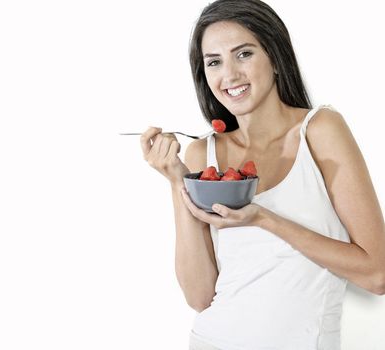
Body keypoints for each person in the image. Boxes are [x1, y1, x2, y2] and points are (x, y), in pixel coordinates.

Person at [139, 0, 385, 349]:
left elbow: (377, 274)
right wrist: (178, 181)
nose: (230, 75)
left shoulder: (319, 130)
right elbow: (199, 295)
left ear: (274, 55)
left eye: (243, 54)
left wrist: (265, 219)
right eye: (214, 62)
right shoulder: (201, 154)